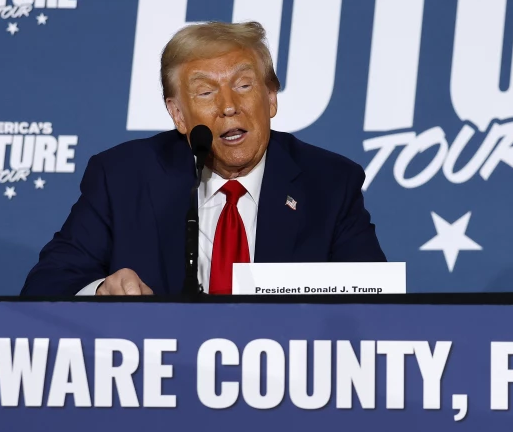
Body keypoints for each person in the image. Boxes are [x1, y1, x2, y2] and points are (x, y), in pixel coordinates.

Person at [22, 21, 386, 296]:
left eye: (244, 85)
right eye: (206, 92)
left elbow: (378, 304)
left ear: (271, 97)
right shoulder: (123, 177)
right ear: (178, 114)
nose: (229, 106)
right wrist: (101, 291)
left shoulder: (330, 183)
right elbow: (46, 285)